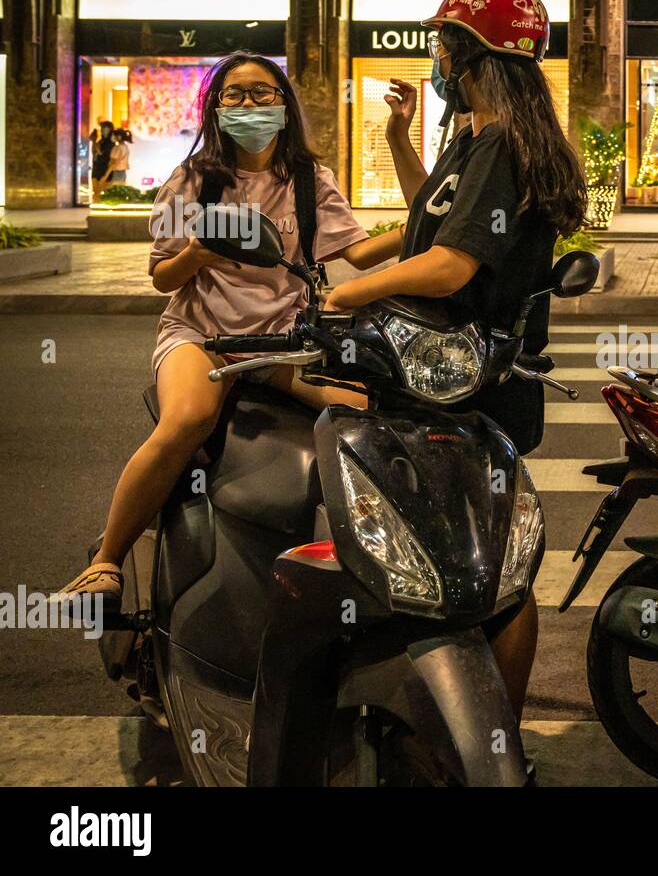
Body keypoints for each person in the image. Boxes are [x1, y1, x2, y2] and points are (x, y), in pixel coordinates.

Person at [322, 0, 585, 721]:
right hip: (457, 377)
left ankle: (491, 732)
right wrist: (400, 140)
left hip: (468, 383)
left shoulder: (502, 143)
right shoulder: (483, 137)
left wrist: (348, 295)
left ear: (474, 53)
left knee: (490, 572)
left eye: (444, 44)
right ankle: (483, 734)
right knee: (477, 556)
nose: (437, 58)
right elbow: (428, 223)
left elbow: (449, 264)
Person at [58, 52, 403, 604]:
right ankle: (106, 561)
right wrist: (197, 252)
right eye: (234, 95)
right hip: (203, 336)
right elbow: (162, 277)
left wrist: (430, 230)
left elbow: (360, 254)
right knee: (188, 418)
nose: (249, 104)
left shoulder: (310, 181)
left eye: (263, 93)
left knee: (370, 414)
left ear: (285, 106)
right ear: (216, 108)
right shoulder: (194, 180)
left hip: (280, 343)